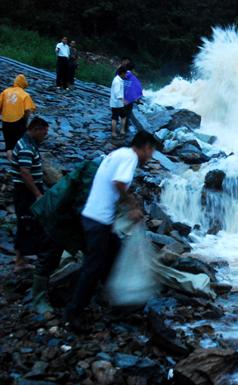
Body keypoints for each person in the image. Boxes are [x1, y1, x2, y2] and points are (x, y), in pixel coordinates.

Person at [64, 131, 156, 328]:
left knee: (114, 255)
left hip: (96, 217)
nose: (151, 157)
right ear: (146, 147)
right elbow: (119, 182)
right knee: (93, 268)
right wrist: (132, 206)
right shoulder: (130, 157)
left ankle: (117, 302)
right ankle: (74, 313)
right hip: (98, 220)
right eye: (152, 151)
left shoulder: (119, 153)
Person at [10, 117, 63, 311]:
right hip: (25, 192)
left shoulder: (28, 143)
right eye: (44, 132)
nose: (45, 136)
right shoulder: (25, 146)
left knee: (26, 222)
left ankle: (21, 258)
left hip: (27, 191)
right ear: (37, 129)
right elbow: (25, 172)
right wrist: (37, 193)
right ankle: (20, 262)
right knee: (26, 222)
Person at [0, 74, 36, 161]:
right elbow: (28, 111)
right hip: (19, 122)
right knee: (21, 144)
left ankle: (11, 164)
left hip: (6, 121)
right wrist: (26, 122)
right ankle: (21, 163)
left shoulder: (5, 92)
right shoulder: (25, 95)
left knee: (9, 146)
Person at [122, 61, 143, 132]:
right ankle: (125, 129)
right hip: (128, 99)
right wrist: (138, 98)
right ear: (133, 69)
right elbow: (138, 88)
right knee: (127, 113)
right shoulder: (133, 78)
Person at [110, 67, 128, 137]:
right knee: (115, 118)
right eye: (125, 73)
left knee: (122, 116)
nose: (126, 75)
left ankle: (121, 131)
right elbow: (117, 93)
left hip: (117, 103)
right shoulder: (117, 81)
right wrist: (123, 100)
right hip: (116, 103)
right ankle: (114, 132)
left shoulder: (119, 79)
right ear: (122, 73)